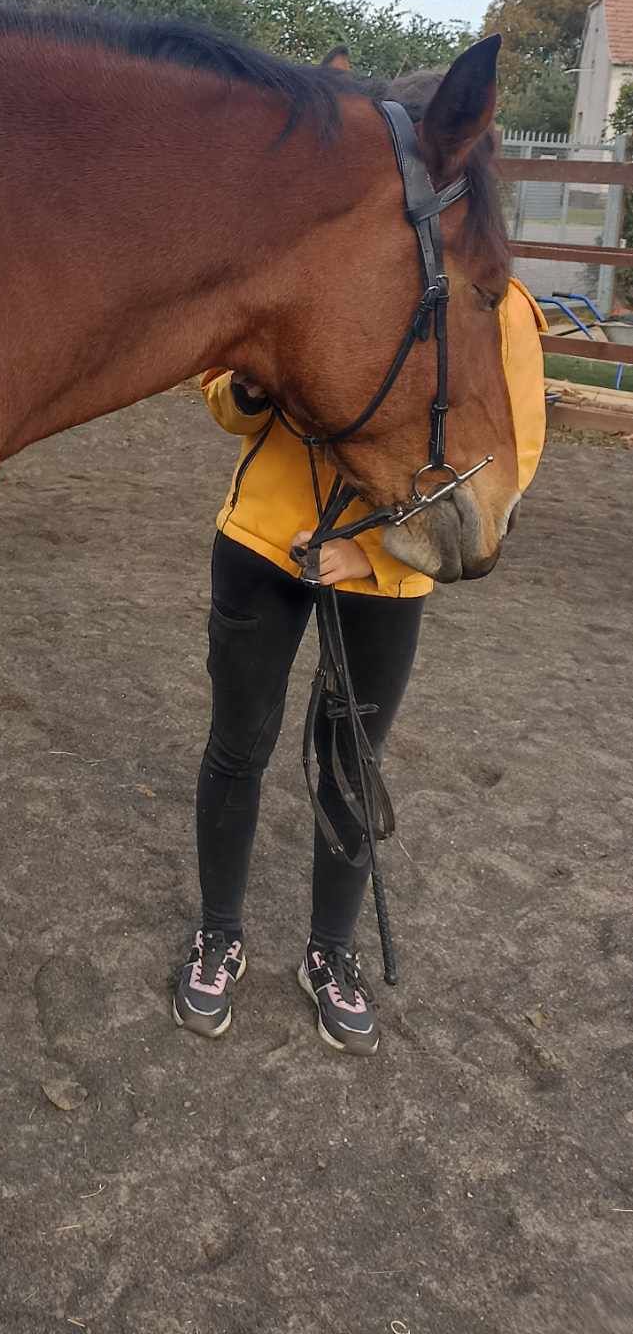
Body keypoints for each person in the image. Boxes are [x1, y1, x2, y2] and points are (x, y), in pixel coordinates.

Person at [172, 195, 547, 1054]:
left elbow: (506, 463)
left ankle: (329, 953)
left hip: (386, 575)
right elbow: (220, 401)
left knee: (349, 765)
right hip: (262, 547)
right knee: (235, 746)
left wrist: (372, 552)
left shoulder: (502, 311)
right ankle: (218, 934)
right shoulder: (311, 274)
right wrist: (249, 389)